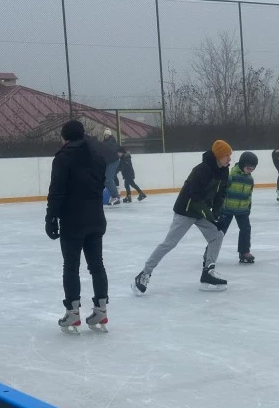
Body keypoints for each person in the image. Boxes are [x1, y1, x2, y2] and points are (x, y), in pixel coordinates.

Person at [133, 140, 232, 294]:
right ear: (218, 156)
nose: (229, 159)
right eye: (227, 156)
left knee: (216, 236)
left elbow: (221, 194)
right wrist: (211, 218)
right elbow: (195, 197)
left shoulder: (224, 171)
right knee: (170, 243)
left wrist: (216, 215)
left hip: (201, 210)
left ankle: (208, 273)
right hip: (186, 210)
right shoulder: (201, 170)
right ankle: (144, 273)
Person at [45, 119, 110, 333]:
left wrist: (51, 217)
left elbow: (57, 190)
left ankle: (73, 313)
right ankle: (101, 309)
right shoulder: (97, 157)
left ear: (65, 137)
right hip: (96, 219)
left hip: (73, 221)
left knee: (71, 266)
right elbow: (101, 185)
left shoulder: (63, 158)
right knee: (97, 264)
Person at [210, 151, 258, 263]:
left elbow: (249, 195)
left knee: (246, 229)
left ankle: (244, 252)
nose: (250, 170)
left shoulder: (250, 179)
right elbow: (222, 191)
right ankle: (209, 252)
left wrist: (248, 208)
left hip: (242, 211)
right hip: (227, 210)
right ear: (242, 164)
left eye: (253, 169)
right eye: (249, 167)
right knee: (220, 232)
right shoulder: (231, 175)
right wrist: (218, 207)